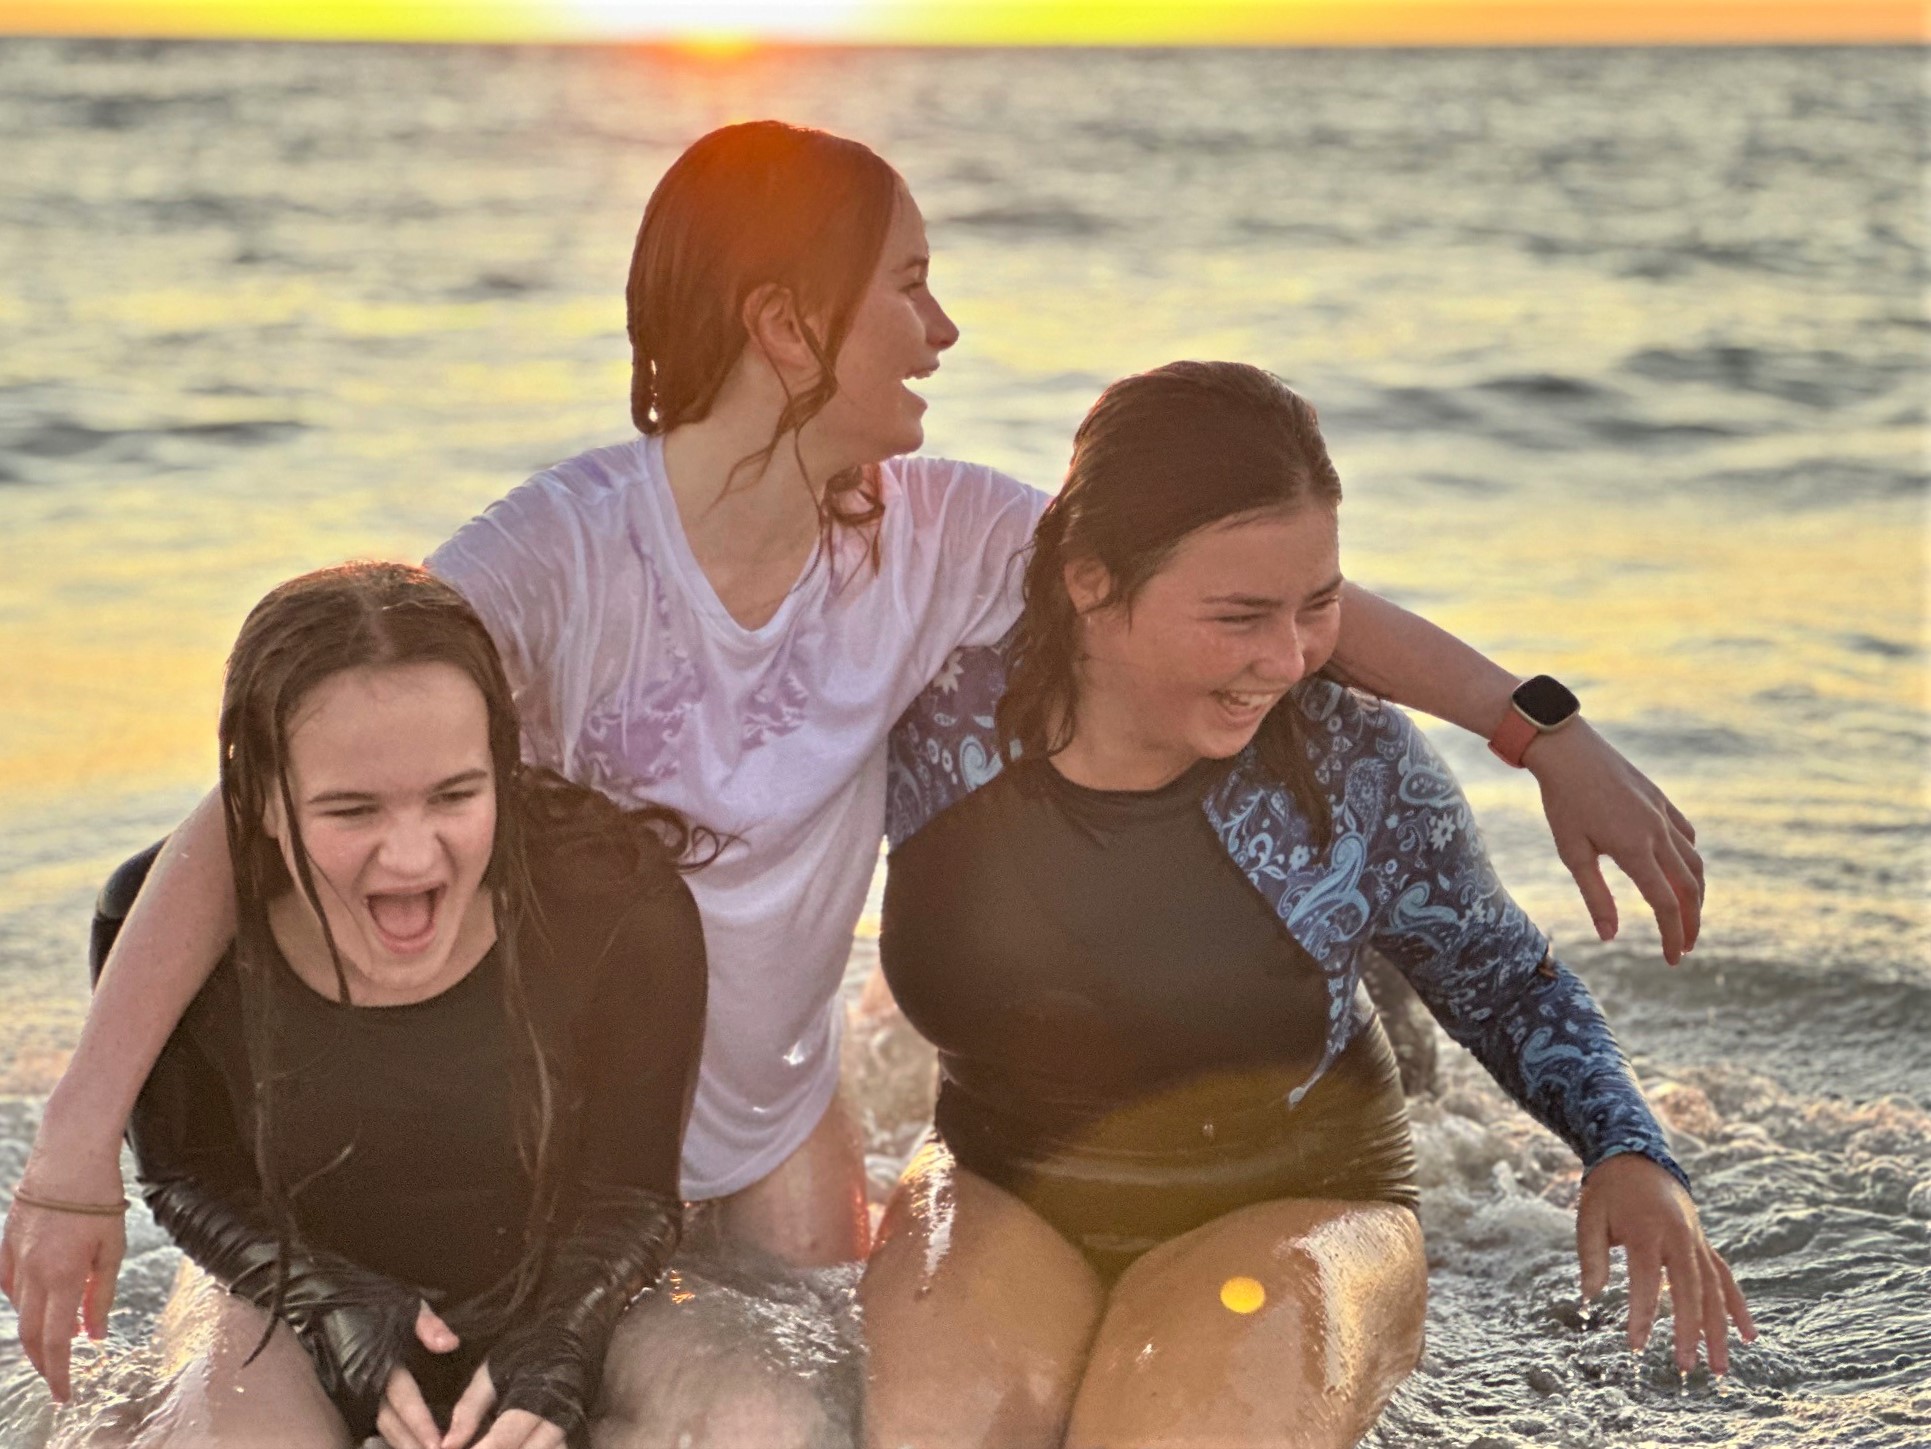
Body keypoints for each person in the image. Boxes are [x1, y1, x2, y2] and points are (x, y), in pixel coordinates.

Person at [4, 120, 1704, 1406]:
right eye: (907, 284)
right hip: (532, 1144)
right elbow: (262, 812)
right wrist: (80, 1144)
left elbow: (1227, 584)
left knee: (815, 1418)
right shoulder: (555, 562)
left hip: (760, 1144)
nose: (945, 328)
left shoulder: (936, 536)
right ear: (786, 324)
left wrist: (1533, 727)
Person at [861, 363, 1753, 1449]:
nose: (1285, 661)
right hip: (998, 1183)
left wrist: (1627, 1152)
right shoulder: (933, 727)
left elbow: (1508, 984)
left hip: (1296, 1205)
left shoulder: (1349, 760)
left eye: (1318, 607)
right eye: (1239, 616)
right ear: (1090, 582)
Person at [5, 563, 708, 1449]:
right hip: (282, 1290)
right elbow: (189, 1173)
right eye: (350, 809)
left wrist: (560, 1337)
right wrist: (326, 1300)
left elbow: (633, 1189)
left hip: (574, 1287)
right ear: (256, 799)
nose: (411, 857)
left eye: (456, 795)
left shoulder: (613, 900)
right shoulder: (160, 926)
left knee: (757, 1423)